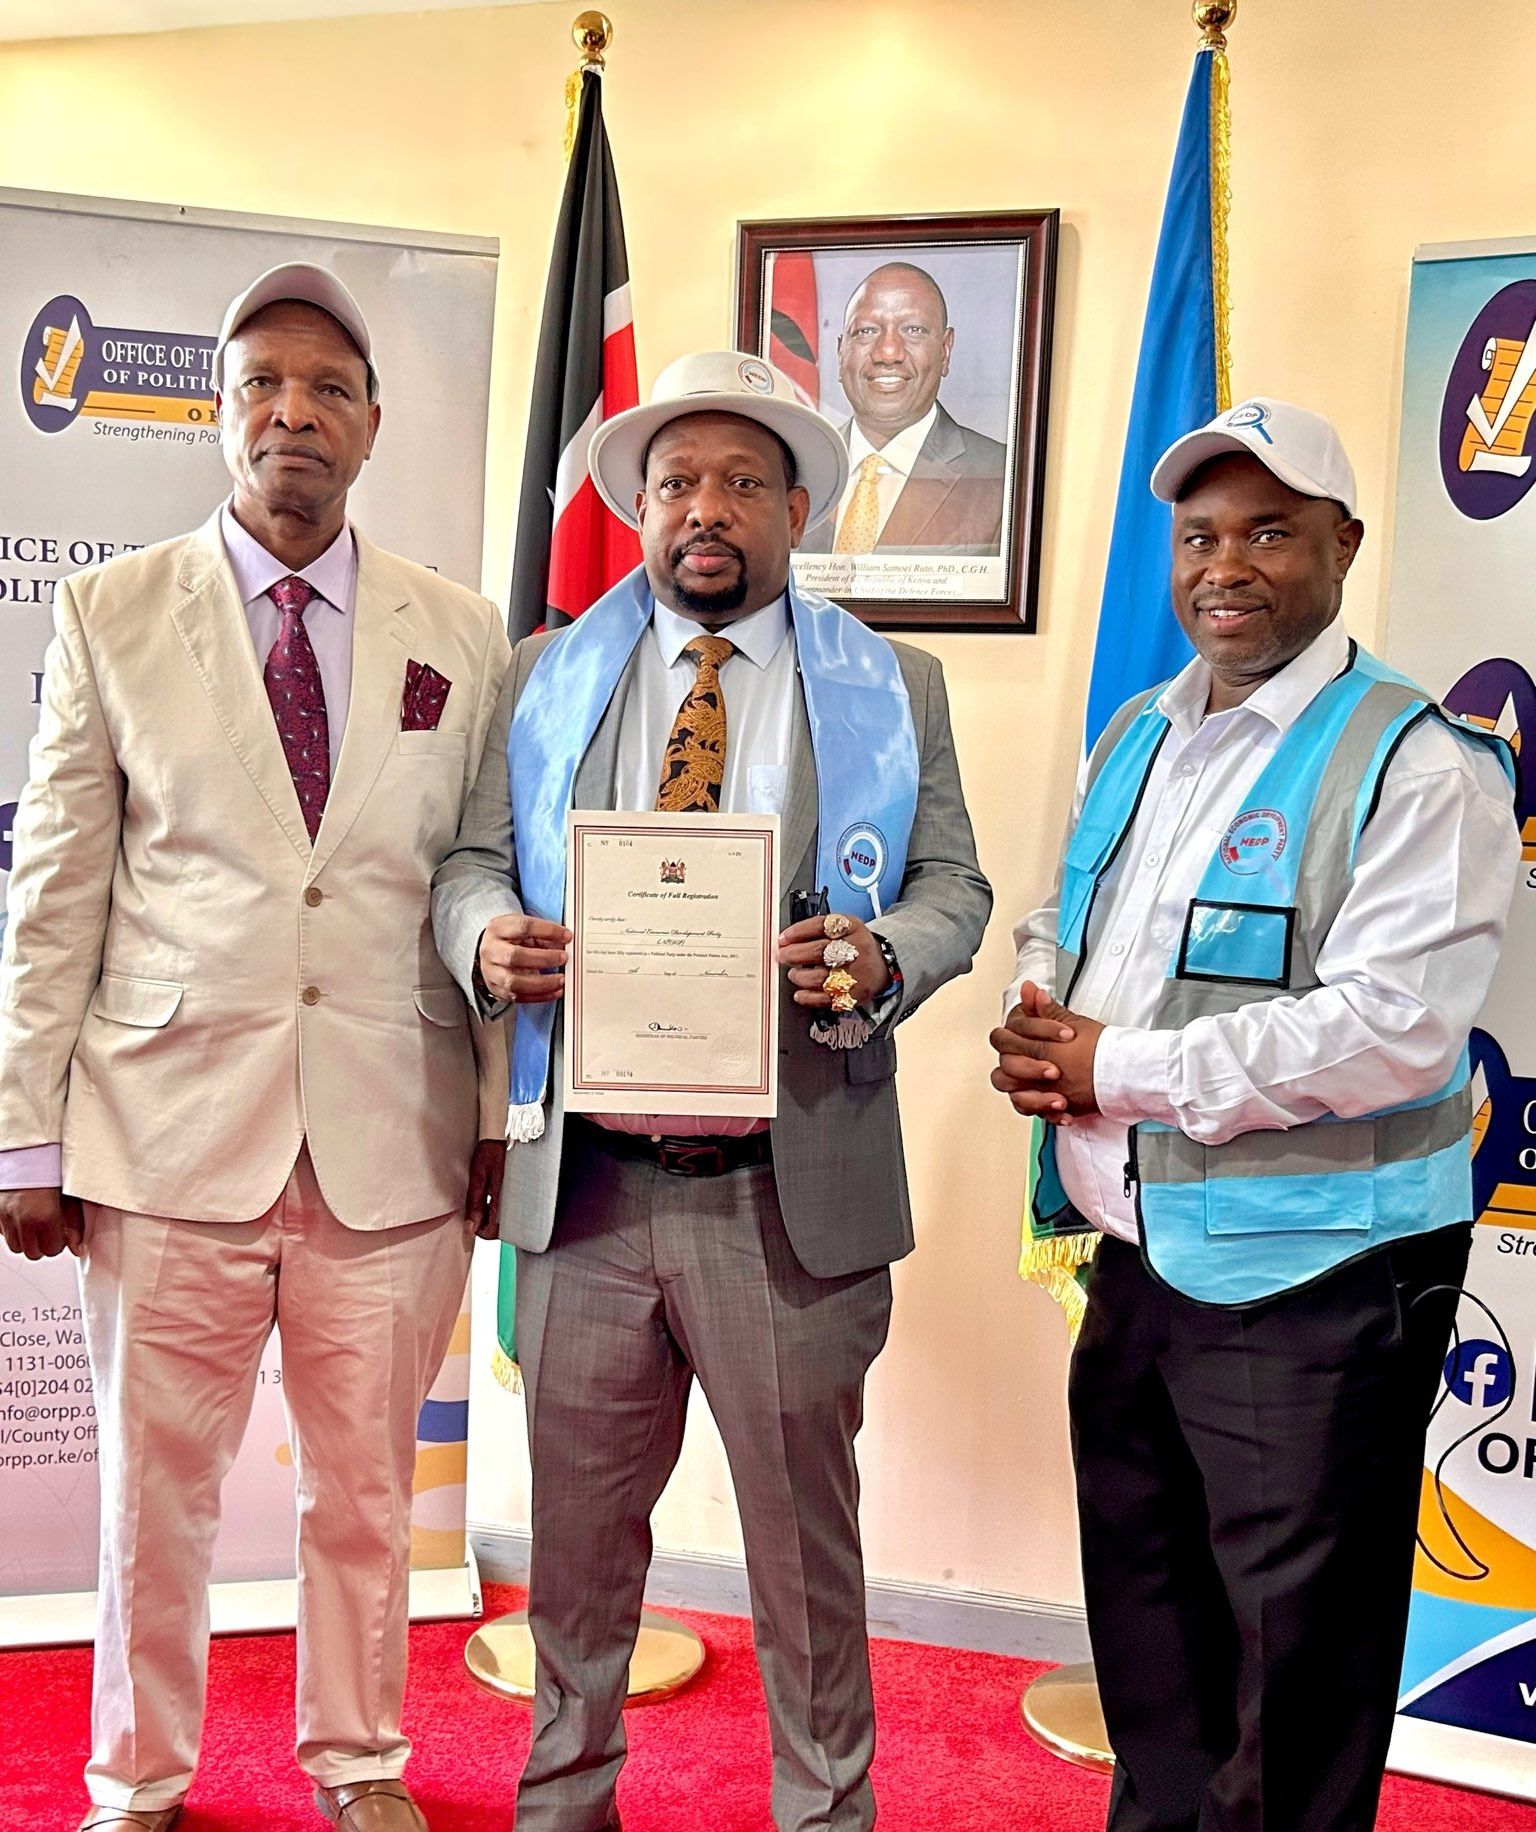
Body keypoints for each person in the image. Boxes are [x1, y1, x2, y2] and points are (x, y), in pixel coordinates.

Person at [433, 350, 991, 1832]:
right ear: (639, 509)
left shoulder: (892, 685)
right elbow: (470, 862)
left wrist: (883, 953)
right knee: (576, 1551)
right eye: (678, 480)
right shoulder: (545, 679)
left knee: (805, 1557)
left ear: (798, 509)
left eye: (744, 480)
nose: (707, 508)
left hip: (783, 1197)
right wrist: (484, 936)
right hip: (591, 1191)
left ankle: (825, 1812)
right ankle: (566, 1804)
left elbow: (954, 885)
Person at [0, 263, 511, 1832]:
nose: (294, 412)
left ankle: (359, 1761)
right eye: (261, 387)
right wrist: (25, 1132)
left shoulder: (460, 631)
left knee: (365, 1490)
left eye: (327, 389)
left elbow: (484, 876)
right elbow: (56, 887)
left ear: (372, 424)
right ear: (219, 417)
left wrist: (498, 1116)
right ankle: (137, 1778)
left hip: (392, 1137)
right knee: (154, 1498)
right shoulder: (112, 613)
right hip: (162, 1134)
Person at [991, 397, 1521, 1832]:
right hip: (1137, 1256)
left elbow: (1390, 1028)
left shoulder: (1421, 761)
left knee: (1296, 1677)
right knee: (1152, 1639)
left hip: (1318, 1281)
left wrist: (1110, 1066)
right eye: (1200, 535)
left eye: (1270, 533)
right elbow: (1072, 918)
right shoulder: (1139, 732)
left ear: (1345, 545)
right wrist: (1044, 1006)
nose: (1225, 566)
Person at [798, 261, 1007, 556]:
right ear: (841, 352)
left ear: (945, 350)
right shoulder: (797, 471)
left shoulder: (1003, 478)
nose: (888, 352)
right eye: (866, 331)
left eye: (913, 330)